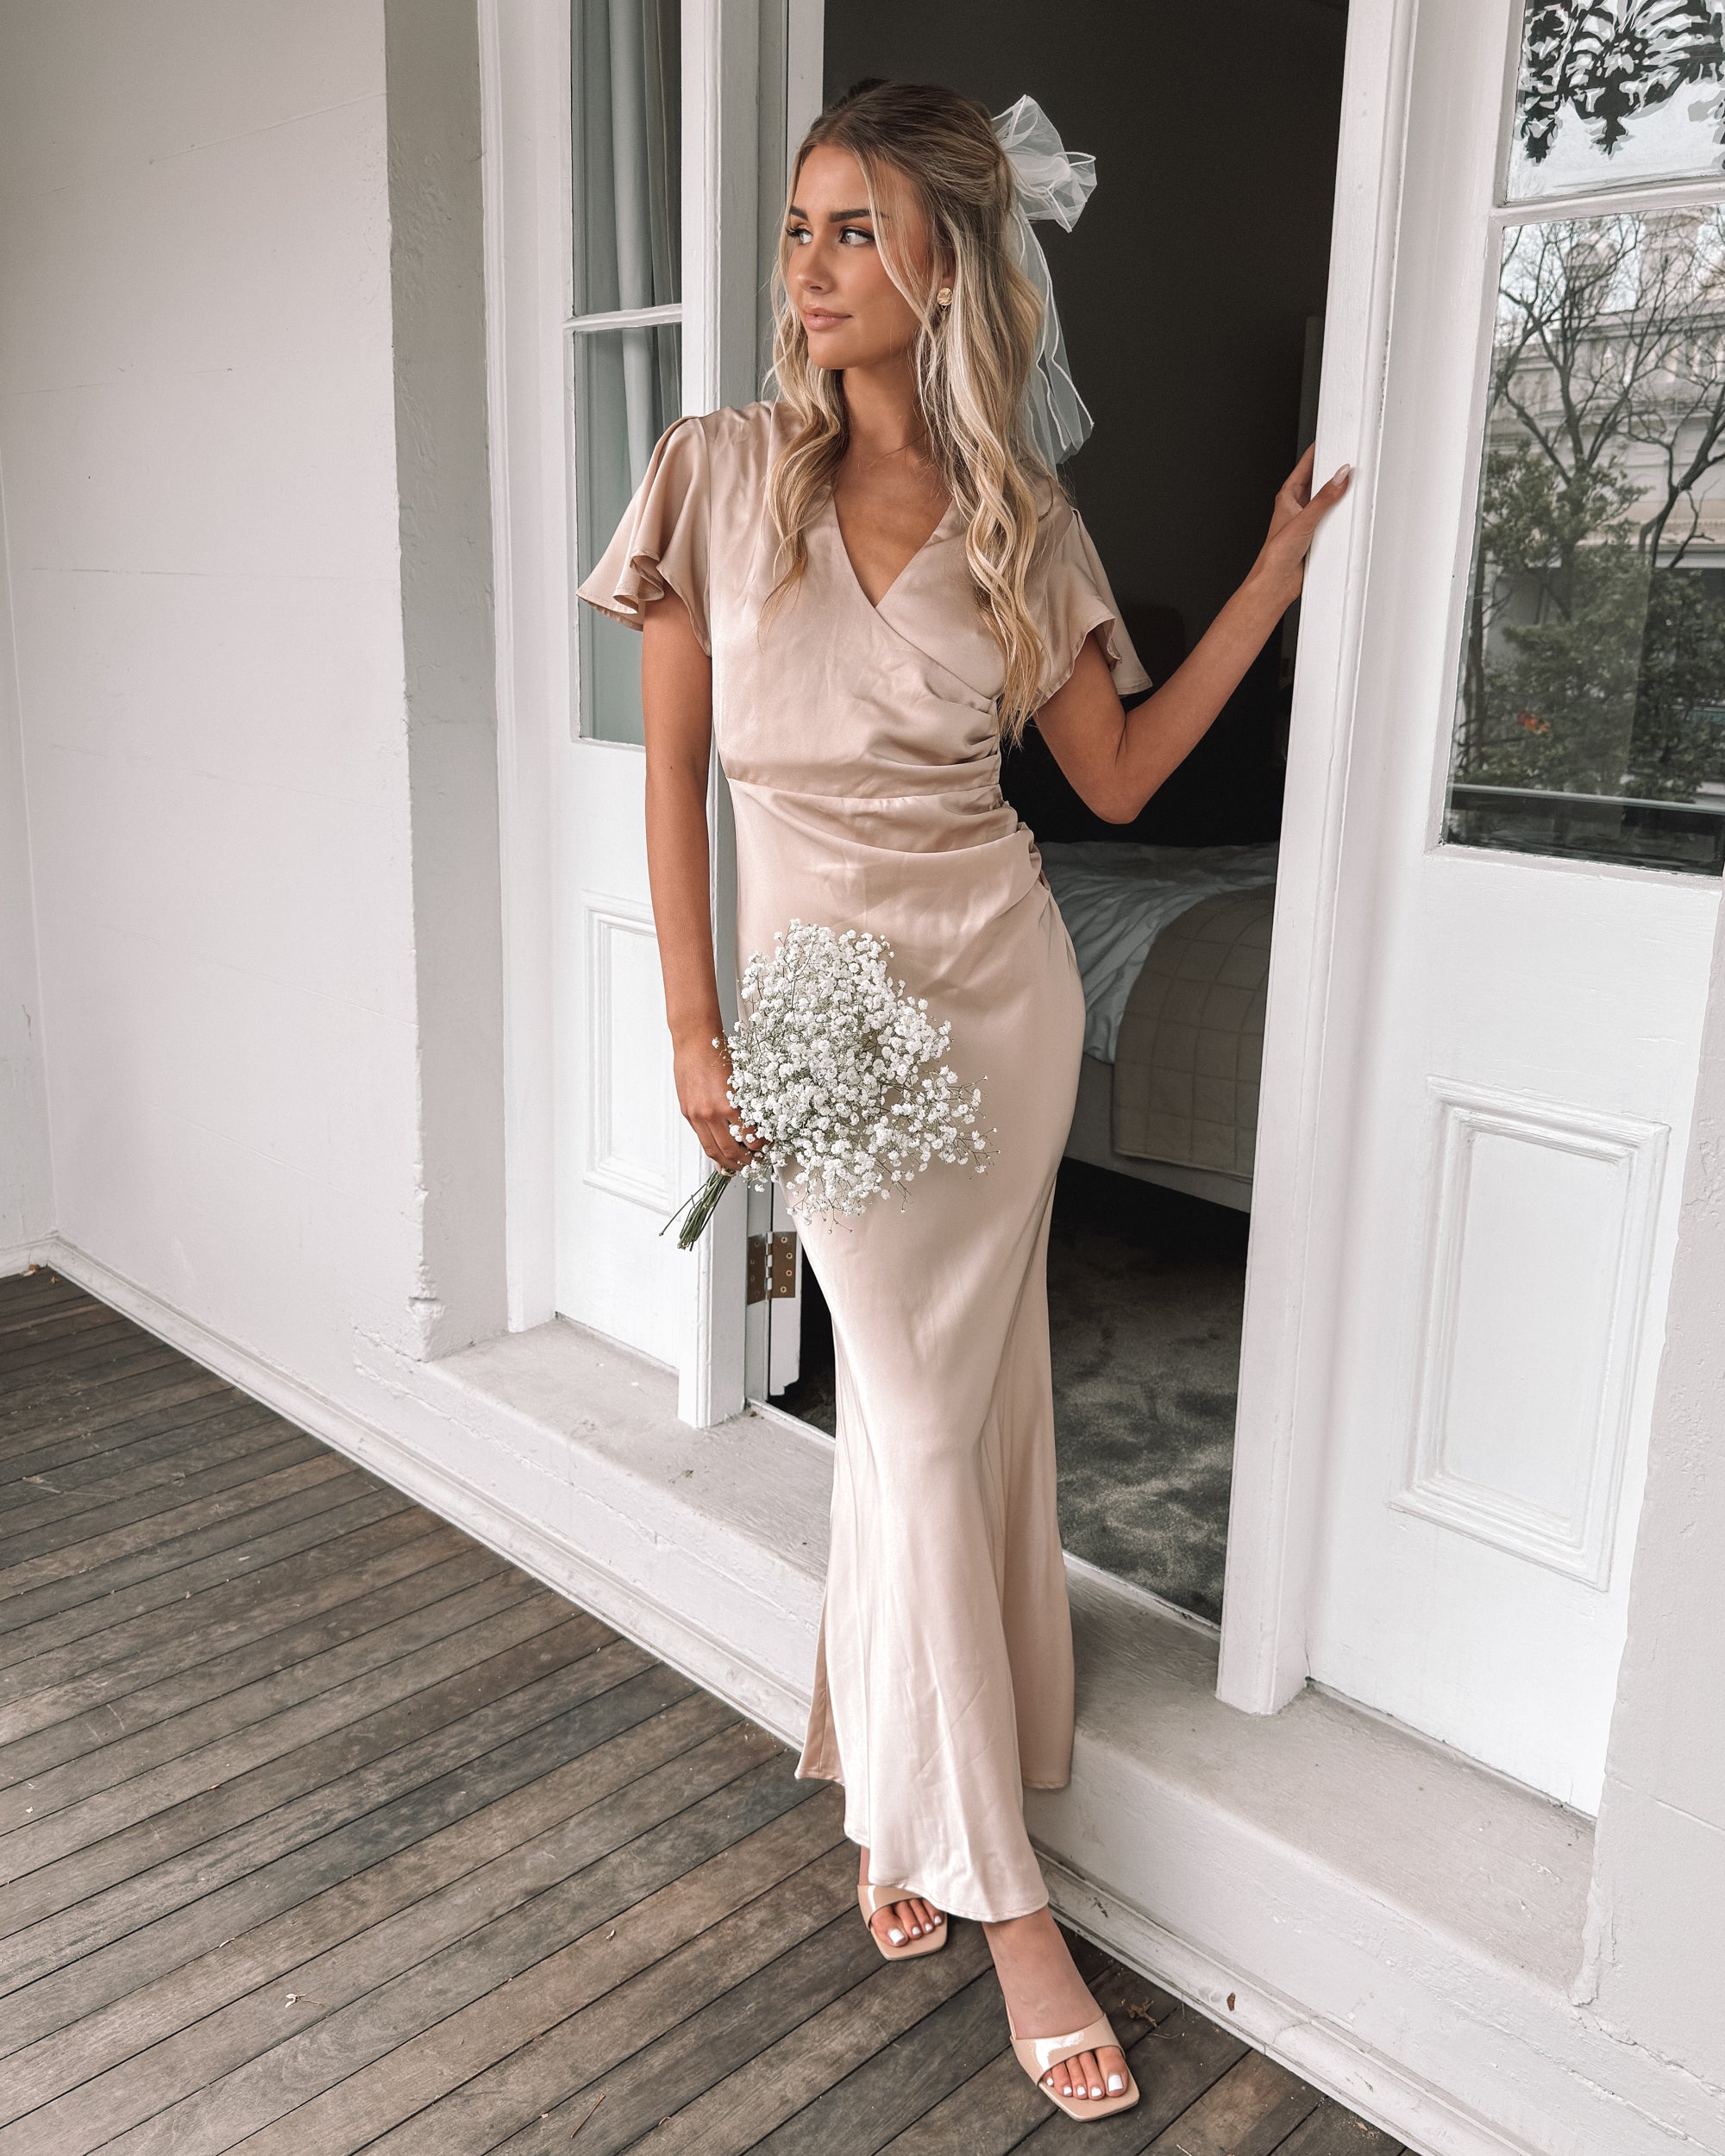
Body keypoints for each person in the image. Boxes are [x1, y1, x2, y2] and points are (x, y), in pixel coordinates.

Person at [577, 75, 1349, 2124]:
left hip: (995, 989)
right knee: (917, 1421)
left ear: (941, 267)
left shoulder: (1024, 520)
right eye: (798, 228)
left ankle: (887, 1789)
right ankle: (1014, 1901)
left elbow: (1110, 786)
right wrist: (688, 1022)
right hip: (824, 1010)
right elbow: (671, 776)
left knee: (949, 1408)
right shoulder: (715, 474)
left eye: (850, 230)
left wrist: (1270, 577)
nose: (806, 266)